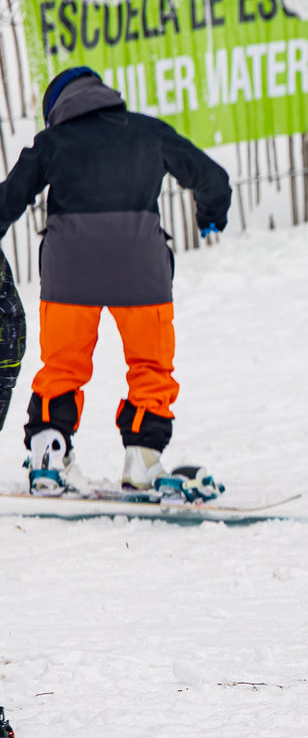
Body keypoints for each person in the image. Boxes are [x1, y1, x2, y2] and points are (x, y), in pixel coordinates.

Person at [0, 66, 230, 498]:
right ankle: (143, 458)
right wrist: (210, 215)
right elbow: (212, 177)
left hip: (71, 272)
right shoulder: (148, 132)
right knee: (150, 366)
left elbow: (8, 200)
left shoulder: (52, 143)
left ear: (56, 111)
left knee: (62, 367)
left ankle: (48, 457)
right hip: (140, 271)